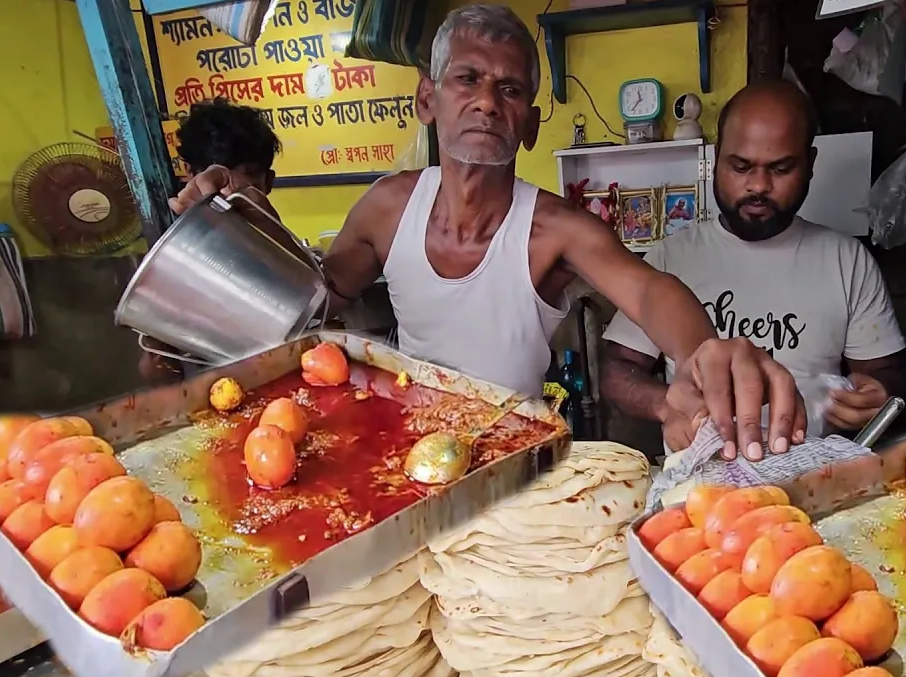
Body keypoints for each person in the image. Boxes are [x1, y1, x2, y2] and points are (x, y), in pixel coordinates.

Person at [168, 4, 801, 460]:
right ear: (428, 100)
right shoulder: (389, 207)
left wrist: (704, 354)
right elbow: (320, 297)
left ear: (528, 122)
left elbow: (648, 290)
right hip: (408, 456)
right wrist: (247, 222)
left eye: (510, 89)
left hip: (518, 464)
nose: (487, 102)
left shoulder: (556, 229)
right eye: (467, 79)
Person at [600, 81, 906, 452]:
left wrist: (879, 394)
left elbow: (887, 373)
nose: (758, 185)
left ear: (809, 165)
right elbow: (615, 370)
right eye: (741, 166)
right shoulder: (671, 258)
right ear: (715, 158)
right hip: (698, 489)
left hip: (812, 482)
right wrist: (666, 406)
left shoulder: (847, 261)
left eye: (780, 168)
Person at [139, 98, 284, 385]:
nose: (226, 190)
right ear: (192, 178)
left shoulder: (281, 248)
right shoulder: (177, 259)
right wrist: (160, 351)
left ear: (268, 181)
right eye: (213, 175)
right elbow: (150, 368)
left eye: (246, 177)